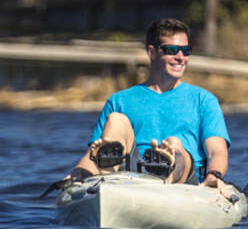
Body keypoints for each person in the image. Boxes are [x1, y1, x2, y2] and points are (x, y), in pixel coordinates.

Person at [61, 18, 232, 192]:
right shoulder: (119, 100)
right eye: (172, 50)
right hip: (132, 176)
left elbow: (217, 151)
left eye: (186, 50)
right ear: (152, 52)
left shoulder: (204, 100)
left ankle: (165, 171)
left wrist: (214, 175)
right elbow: (95, 152)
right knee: (115, 120)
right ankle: (108, 180)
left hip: (184, 180)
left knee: (174, 143)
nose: (180, 57)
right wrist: (77, 174)